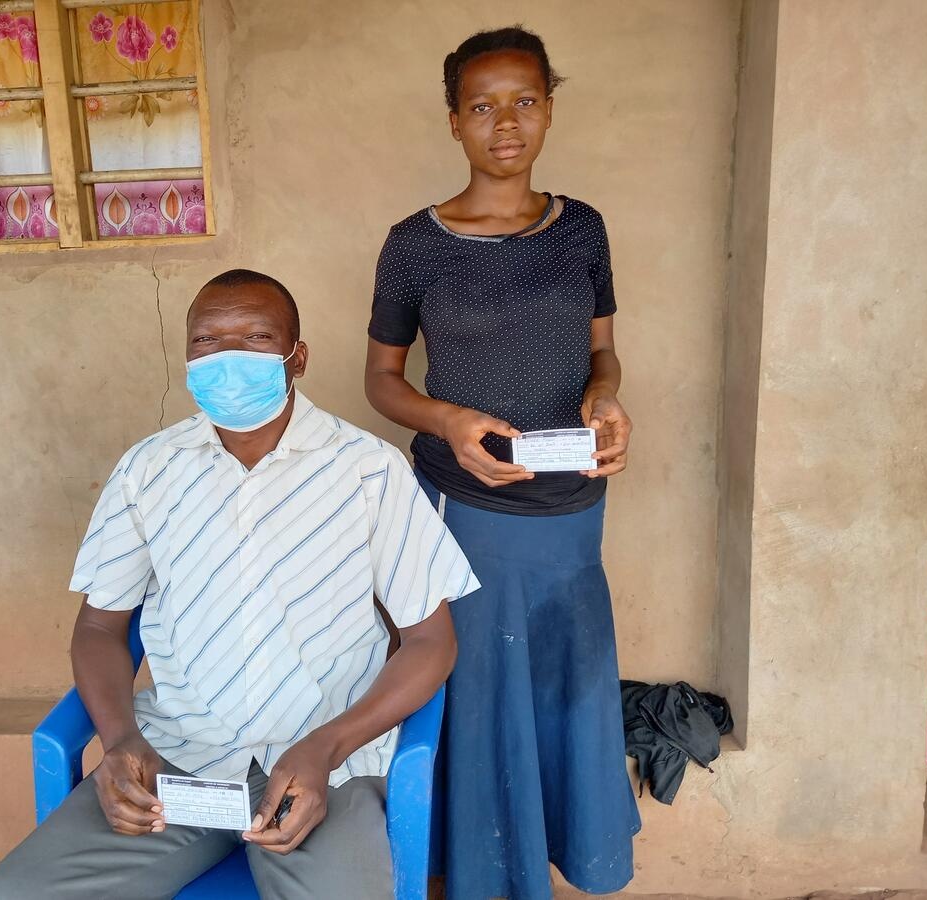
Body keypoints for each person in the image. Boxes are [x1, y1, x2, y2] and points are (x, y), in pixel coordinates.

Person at [0, 269, 479, 900]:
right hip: (180, 758)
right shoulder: (147, 471)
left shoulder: (369, 470)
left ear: (297, 357)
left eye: (256, 337)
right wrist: (122, 740)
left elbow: (431, 642)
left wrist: (328, 746)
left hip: (324, 766)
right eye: (208, 343)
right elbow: (101, 626)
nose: (228, 358)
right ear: (187, 358)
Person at [363, 27, 640, 900]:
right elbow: (380, 380)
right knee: (474, 689)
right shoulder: (415, 243)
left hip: (572, 510)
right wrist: (446, 420)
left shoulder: (583, 229)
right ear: (454, 122)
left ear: (549, 109)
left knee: (565, 677)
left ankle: (560, 859)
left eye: (524, 100)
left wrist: (605, 401)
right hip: (461, 509)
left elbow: (603, 355)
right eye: (482, 106)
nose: (505, 122)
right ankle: (477, 877)